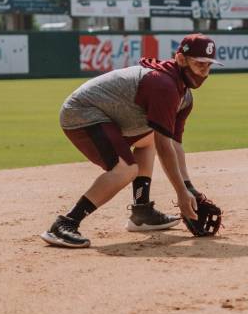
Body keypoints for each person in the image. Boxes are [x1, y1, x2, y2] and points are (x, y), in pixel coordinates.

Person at [40, 33, 223, 248]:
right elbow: (165, 149)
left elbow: (174, 143)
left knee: (150, 139)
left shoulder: (184, 96)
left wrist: (189, 188)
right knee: (126, 169)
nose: (204, 71)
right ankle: (65, 223)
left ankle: (142, 211)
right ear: (181, 60)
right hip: (82, 113)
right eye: (199, 64)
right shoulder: (164, 85)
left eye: (208, 66)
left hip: (111, 118)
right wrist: (181, 194)